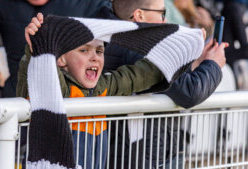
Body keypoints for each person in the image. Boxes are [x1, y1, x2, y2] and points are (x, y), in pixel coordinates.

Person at [17, 15, 205, 168]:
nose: (94, 58)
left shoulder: (104, 86)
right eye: (84, 50)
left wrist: (178, 49)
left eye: (99, 51)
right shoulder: (57, 86)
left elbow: (138, 76)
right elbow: (39, 71)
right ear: (60, 60)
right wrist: (36, 47)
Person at [102, 0, 229, 168]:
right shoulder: (139, 45)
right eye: (162, 14)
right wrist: (213, 64)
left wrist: (199, 61)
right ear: (139, 15)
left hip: (144, 150)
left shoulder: (116, 37)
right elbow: (189, 92)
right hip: (146, 155)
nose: (166, 22)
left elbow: (171, 82)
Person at [0, 0, 111, 97]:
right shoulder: (3, 4)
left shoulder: (92, 4)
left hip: (74, 109)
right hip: (17, 104)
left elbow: (123, 33)